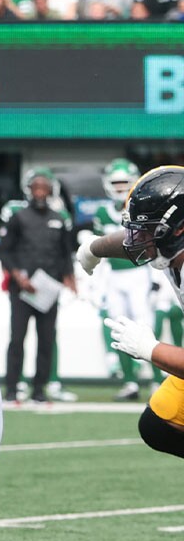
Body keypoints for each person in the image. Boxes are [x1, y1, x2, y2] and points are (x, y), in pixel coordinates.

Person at [78, 166, 184, 461]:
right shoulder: (170, 242)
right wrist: (92, 248)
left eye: (147, 229)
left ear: (179, 228)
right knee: (158, 423)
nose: (137, 238)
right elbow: (131, 242)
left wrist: (151, 349)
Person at [0, 169, 77, 404]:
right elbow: (5, 251)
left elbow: (65, 253)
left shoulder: (59, 218)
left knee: (46, 340)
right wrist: (19, 277)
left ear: (50, 191)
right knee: (17, 339)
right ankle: (11, 389)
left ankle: (39, 390)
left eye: (45, 188)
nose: (40, 192)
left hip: (48, 290)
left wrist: (70, 277)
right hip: (22, 288)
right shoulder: (18, 217)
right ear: (29, 190)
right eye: (36, 188)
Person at [93, 158, 151, 401]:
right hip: (114, 275)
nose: (119, 187)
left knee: (146, 327)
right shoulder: (102, 212)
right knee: (118, 327)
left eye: (123, 182)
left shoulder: (144, 208)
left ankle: (157, 380)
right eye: (115, 182)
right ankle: (130, 382)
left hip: (140, 273)